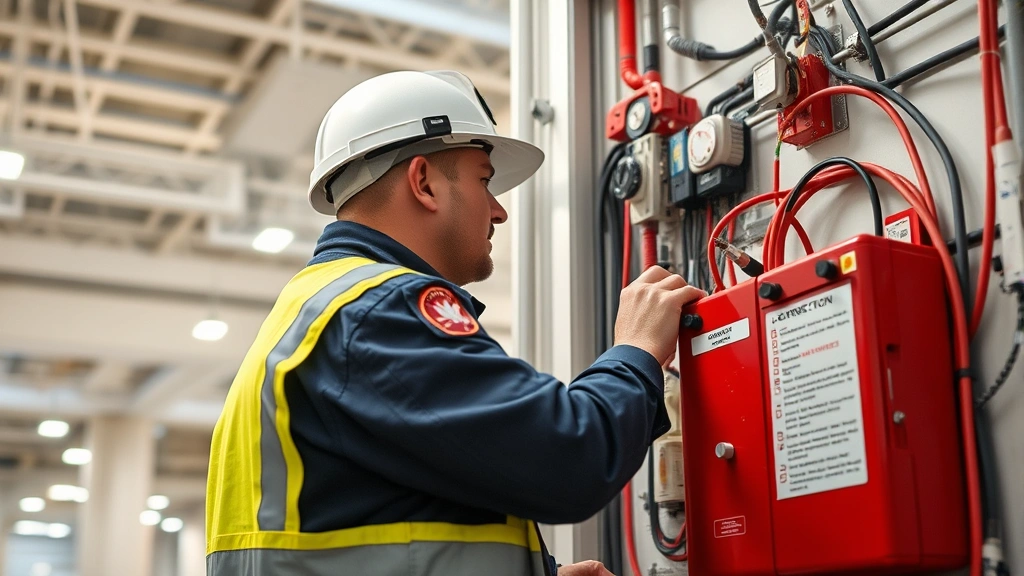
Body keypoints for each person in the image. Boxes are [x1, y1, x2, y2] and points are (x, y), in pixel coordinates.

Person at [205, 70, 704, 576]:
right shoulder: (378, 310)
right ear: (423, 182)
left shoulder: (311, 312)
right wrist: (636, 350)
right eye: (484, 180)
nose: (498, 211)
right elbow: (569, 459)